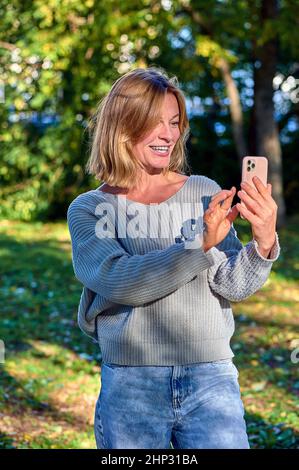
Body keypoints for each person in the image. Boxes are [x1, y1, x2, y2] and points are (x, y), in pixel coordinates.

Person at [67, 67, 280, 449]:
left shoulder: (201, 191)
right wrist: (197, 245)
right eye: (156, 123)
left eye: (175, 122)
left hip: (211, 378)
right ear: (122, 126)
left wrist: (262, 241)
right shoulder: (92, 208)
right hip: (133, 383)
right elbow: (121, 280)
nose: (169, 135)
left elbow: (232, 283)